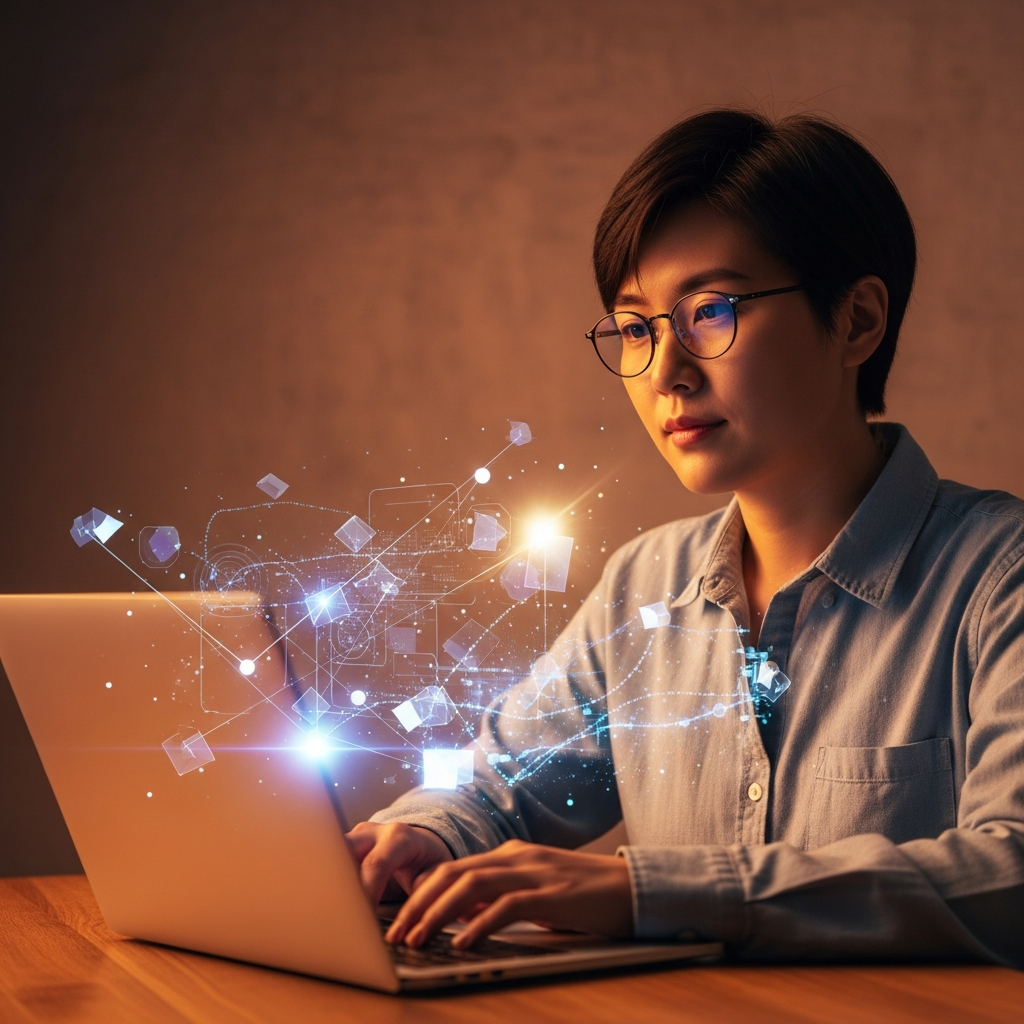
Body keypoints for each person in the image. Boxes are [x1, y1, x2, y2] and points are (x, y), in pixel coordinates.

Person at [346, 109, 1024, 966]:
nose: (666, 372)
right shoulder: (645, 584)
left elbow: (1012, 876)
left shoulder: (1000, 579)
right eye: (637, 328)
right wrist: (423, 835)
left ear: (856, 321)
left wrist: (652, 893)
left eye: (710, 311)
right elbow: (496, 789)